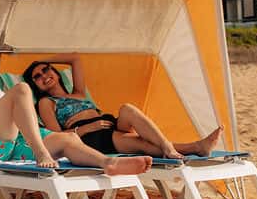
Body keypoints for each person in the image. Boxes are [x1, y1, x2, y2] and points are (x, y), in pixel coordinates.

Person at [0, 41, 152, 174]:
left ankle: (108, 163)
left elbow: (14, 117)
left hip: (12, 143)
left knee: (69, 140)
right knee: (22, 90)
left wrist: (10, 118)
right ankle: (40, 151)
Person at [23, 55, 222, 160]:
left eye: (46, 69)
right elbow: (55, 136)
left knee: (127, 109)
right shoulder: (45, 103)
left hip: (107, 123)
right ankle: (193, 147)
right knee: (139, 144)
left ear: (55, 72)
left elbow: (75, 58)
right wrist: (86, 129)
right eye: (37, 77)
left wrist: (39, 58)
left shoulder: (78, 92)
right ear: (36, 85)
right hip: (89, 136)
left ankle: (172, 146)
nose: (43, 76)